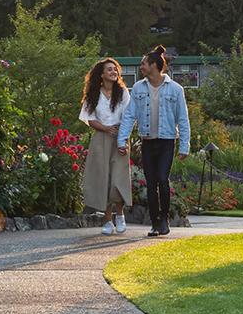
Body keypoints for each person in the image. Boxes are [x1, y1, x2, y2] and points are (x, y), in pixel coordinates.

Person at [116, 45, 191, 237]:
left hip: (167, 141)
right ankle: (155, 222)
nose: (141, 67)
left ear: (154, 65)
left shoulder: (175, 89)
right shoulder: (139, 88)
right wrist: (122, 139)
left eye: (144, 64)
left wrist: (184, 145)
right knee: (150, 183)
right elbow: (130, 115)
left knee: (162, 180)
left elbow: (182, 118)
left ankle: (164, 219)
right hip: (148, 141)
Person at [78, 58, 131, 235]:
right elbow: (90, 118)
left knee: (118, 178)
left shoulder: (123, 93)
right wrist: (106, 128)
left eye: (115, 69)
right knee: (103, 178)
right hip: (101, 138)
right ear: (101, 74)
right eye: (109, 69)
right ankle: (107, 220)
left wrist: (123, 138)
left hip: (120, 137)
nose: (113, 72)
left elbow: (129, 117)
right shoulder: (93, 94)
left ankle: (120, 215)